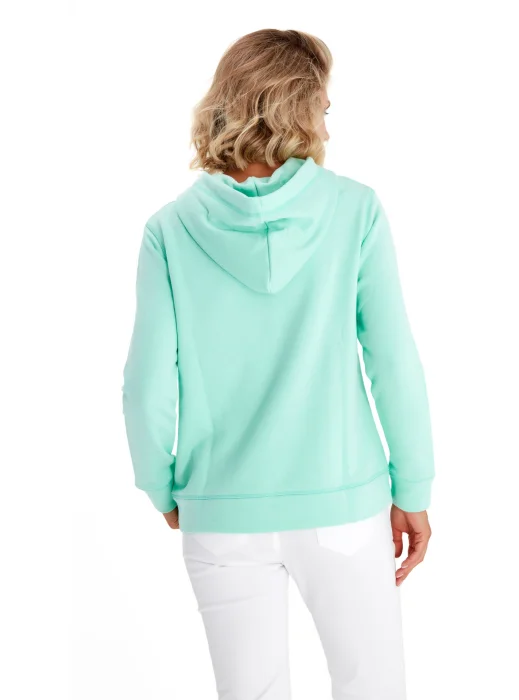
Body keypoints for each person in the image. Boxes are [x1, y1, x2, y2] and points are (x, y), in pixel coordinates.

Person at [122, 28, 435, 700]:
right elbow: (393, 360)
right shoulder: (354, 210)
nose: (328, 122)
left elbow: (146, 385)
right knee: (373, 688)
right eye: (324, 105)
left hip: (220, 509)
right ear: (298, 108)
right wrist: (413, 489)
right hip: (343, 504)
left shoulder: (170, 230)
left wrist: (162, 487)